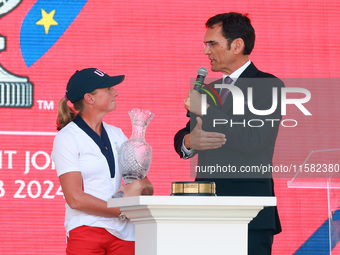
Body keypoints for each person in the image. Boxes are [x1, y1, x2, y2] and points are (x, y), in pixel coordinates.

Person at [174, 13, 282, 255]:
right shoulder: (210, 89)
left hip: (249, 211)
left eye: (212, 43)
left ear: (237, 45)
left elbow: (255, 141)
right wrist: (188, 141)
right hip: (206, 209)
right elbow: (187, 131)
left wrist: (206, 110)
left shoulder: (268, 85)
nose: (206, 52)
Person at [52, 68, 153, 255]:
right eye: (108, 88)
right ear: (89, 98)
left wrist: (139, 186)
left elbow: (146, 186)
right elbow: (75, 199)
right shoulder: (67, 138)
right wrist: (122, 211)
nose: (116, 92)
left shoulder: (117, 134)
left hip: (125, 234)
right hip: (86, 229)